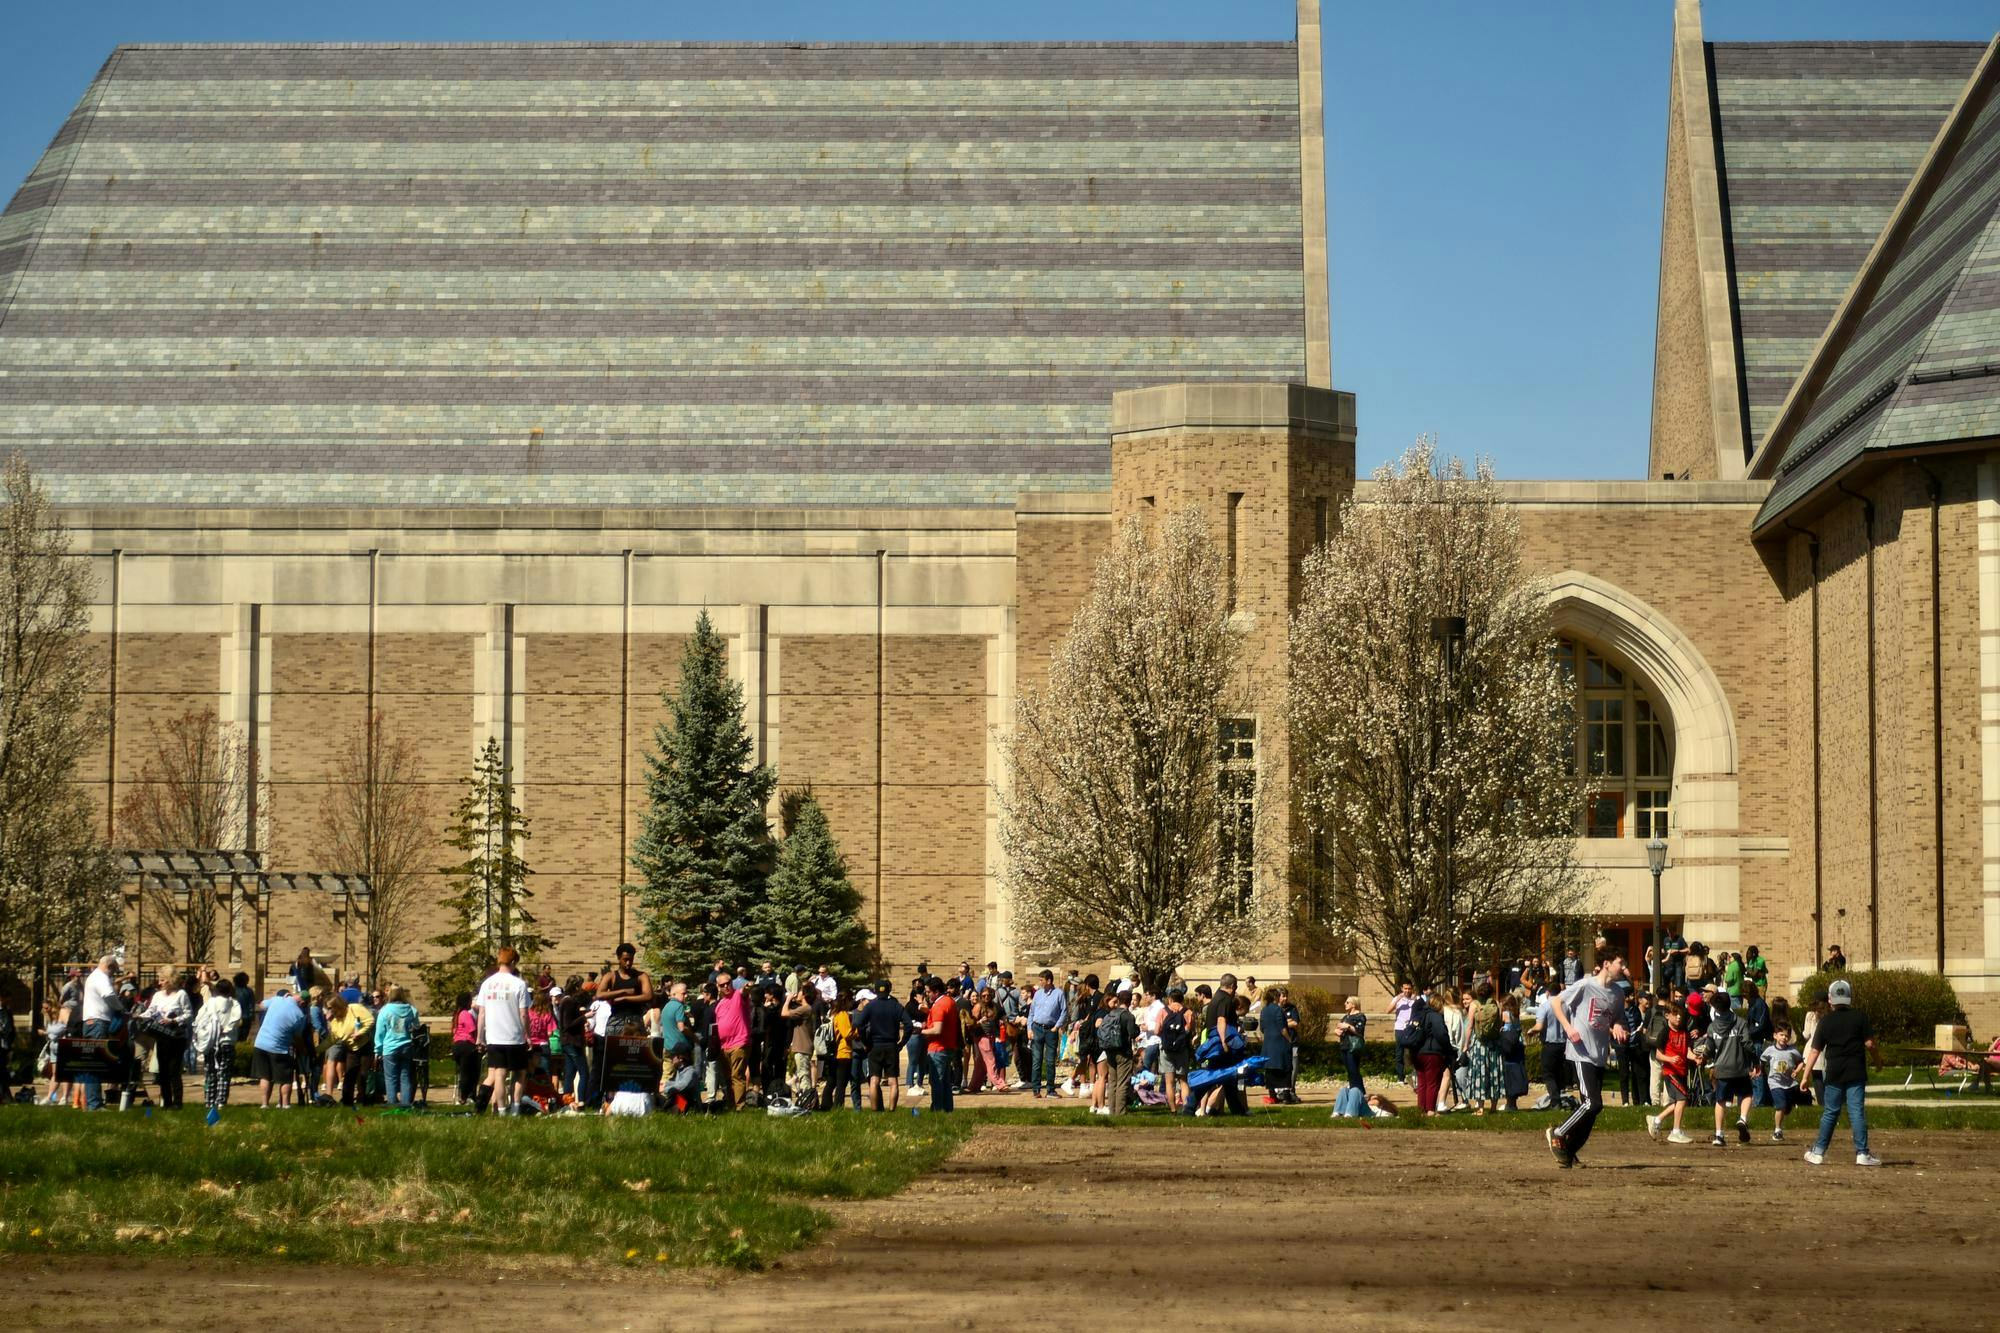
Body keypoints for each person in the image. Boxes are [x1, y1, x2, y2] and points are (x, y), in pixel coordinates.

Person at [1545, 948, 1631, 1168]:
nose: (1623, 968)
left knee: (1593, 1110)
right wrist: (1568, 1027)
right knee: (1593, 1103)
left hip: (1599, 1054)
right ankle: (1558, 1132)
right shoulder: (1585, 985)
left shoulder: (1618, 994)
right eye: (1620, 963)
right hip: (1581, 1052)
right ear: (1607, 964)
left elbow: (1618, 1019)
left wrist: (1619, 1027)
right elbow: (1556, 1003)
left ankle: (1568, 1150)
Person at [1798, 977, 1881, 1167]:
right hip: (1856, 1071)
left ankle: (1818, 1152)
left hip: (1834, 1072)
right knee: (1856, 1112)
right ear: (1850, 997)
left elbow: (1814, 1051)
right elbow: (1870, 1043)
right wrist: (1878, 1061)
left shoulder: (1826, 1021)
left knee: (1830, 1111)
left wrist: (1805, 1076)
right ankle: (1862, 1153)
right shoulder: (1860, 1017)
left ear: (1830, 999)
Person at [474, 946, 531, 1115]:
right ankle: (515, 1109)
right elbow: (523, 1014)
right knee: (519, 1073)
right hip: (514, 1036)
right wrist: (527, 1035)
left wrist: (479, 1037)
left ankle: (501, 1110)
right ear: (513, 962)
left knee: (499, 1075)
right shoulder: (519, 984)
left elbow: (481, 1013)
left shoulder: (487, 984)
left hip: (494, 1036)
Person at [1698, 989, 1756, 1147]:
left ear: (1715, 1008)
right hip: (1740, 1067)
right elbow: (1747, 1045)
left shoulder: (1712, 1027)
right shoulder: (1740, 1022)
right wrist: (1755, 1062)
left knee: (1720, 1101)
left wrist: (1702, 1057)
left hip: (1721, 1069)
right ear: (1730, 1005)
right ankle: (1742, 1118)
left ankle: (1719, 1135)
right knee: (1747, 1094)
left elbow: (1709, 1048)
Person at [191, 975, 240, 1126]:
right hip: (226, 1041)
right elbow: (236, 1019)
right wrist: (226, 1029)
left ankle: (208, 1100)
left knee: (210, 1072)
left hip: (210, 1042)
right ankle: (221, 1102)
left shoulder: (210, 1002)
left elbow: (199, 1019)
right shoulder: (234, 1003)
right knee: (224, 1073)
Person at [78, 954, 124, 1111]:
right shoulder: (101, 977)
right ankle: (94, 1104)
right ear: (109, 966)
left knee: (93, 1064)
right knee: (95, 1064)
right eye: (114, 970)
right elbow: (109, 995)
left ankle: (93, 1102)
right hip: (98, 1023)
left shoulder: (93, 977)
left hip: (91, 1023)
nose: (114, 974)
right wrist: (120, 1009)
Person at [1646, 1002, 1696, 1144]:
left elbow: (1687, 1051)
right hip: (1670, 1071)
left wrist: (1695, 1057)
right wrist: (1670, 1059)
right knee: (1682, 1099)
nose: (1679, 1017)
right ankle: (1675, 1131)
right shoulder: (1665, 1032)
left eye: (1681, 1014)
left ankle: (1656, 1119)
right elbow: (1658, 1055)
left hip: (1681, 1071)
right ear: (1668, 1015)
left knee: (1678, 1102)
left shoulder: (1685, 1031)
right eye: (1675, 1014)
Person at [143, 968, 193, 1111]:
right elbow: (150, 1011)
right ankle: (167, 1101)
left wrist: (173, 1020)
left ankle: (178, 1102)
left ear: (171, 980)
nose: (160, 983)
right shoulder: (158, 995)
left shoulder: (181, 994)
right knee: (163, 1070)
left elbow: (189, 1014)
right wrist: (141, 1016)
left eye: (163, 980)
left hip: (176, 1037)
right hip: (161, 1036)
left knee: (174, 1070)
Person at [253, 988, 311, 1109]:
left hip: (261, 1043)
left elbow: (262, 1005)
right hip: (279, 1048)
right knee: (285, 1079)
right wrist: (303, 1050)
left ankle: (264, 1104)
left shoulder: (277, 1000)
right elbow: (297, 1037)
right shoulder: (299, 1015)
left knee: (265, 1076)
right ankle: (285, 1104)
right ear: (303, 1003)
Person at [857, 980, 909, 1111]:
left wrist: (865, 1042)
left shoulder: (870, 1006)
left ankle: (875, 1110)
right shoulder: (896, 1006)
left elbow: (859, 1024)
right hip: (891, 1045)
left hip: (875, 1045)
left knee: (874, 1080)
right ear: (889, 990)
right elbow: (909, 1024)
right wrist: (902, 1042)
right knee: (893, 1081)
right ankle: (892, 1109)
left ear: (875, 990)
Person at [374, 984, 421, 1110]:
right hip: (406, 1045)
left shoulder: (385, 1010)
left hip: (390, 1047)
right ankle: (405, 1104)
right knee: (405, 1077)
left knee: (390, 1078)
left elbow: (380, 1032)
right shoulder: (410, 1009)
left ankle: (393, 1103)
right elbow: (416, 1026)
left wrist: (378, 1049)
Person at [1096, 986, 1139, 1115]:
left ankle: (1112, 1110)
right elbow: (1132, 1034)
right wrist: (1137, 1029)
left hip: (1110, 1051)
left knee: (1113, 1082)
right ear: (1130, 1001)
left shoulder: (1111, 1014)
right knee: (1122, 1083)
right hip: (1123, 1052)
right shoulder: (1128, 1016)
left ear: (1119, 1000)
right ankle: (1120, 1112)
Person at [1462, 982, 1504, 1115]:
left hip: (1480, 1044)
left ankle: (1480, 1108)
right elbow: (1500, 1023)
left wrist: (1466, 1045)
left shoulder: (1474, 1005)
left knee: (1479, 1073)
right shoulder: (1497, 1004)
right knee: (1494, 1073)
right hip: (1494, 1044)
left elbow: (1469, 1027)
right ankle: (1493, 1107)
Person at [920, 976, 960, 1112]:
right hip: (949, 1046)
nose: (927, 994)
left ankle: (937, 1109)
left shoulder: (939, 1005)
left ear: (936, 991)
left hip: (938, 1047)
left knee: (936, 1080)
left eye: (928, 991)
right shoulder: (950, 1001)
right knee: (945, 1081)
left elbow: (937, 1029)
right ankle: (947, 1109)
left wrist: (922, 1031)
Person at [1409, 994, 1452, 1115]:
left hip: (1418, 1052)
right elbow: (1441, 1035)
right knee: (1432, 1082)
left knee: (1422, 1083)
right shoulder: (1436, 1016)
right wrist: (1449, 1048)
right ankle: (1430, 1110)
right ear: (1439, 1004)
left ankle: (1421, 1110)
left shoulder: (1421, 1014)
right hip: (1432, 1052)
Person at [714, 975, 751, 1109]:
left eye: (728, 983)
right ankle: (731, 1105)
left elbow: (744, 991)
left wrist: (747, 987)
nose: (726, 986)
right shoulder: (720, 1004)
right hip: (724, 1046)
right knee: (728, 1077)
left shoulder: (738, 996)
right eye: (722, 985)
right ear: (718, 987)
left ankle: (740, 1106)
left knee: (737, 1075)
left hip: (739, 1042)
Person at [1760, 1024, 1803, 1142]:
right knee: (1781, 1106)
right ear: (1775, 1036)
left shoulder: (1792, 1050)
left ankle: (1787, 1108)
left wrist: (1797, 1071)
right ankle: (1777, 1130)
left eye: (1786, 1036)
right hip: (1775, 1083)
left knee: (1787, 1108)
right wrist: (1760, 1071)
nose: (1784, 1038)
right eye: (1781, 1035)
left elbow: (1800, 1062)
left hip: (1790, 1084)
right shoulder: (1770, 1050)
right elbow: (1762, 1061)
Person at [1027, 968, 1066, 1098]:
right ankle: (1036, 1089)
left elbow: (1064, 1011)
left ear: (1048, 980)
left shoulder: (1059, 994)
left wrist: (1057, 1026)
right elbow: (1031, 1012)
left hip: (1051, 1030)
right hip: (1037, 1028)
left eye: (1041, 980)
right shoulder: (1038, 994)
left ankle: (1050, 1089)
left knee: (1050, 1061)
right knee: (1036, 1060)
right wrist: (1029, 1028)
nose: (1039, 982)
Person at [449, 992, 480, 1105]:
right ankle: (464, 1097)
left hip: (457, 1045)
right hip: (466, 1045)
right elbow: (472, 1029)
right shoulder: (465, 1014)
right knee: (470, 1073)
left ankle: (464, 1096)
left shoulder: (456, 1015)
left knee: (464, 1072)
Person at [1335, 996, 1367, 1093]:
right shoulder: (1346, 1016)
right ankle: (1354, 1090)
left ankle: (1359, 1091)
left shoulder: (1360, 1016)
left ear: (1353, 1004)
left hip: (1353, 1047)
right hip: (1344, 1046)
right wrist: (1336, 1031)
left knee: (1354, 1070)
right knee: (1349, 1071)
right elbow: (1339, 1027)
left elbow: (1359, 1031)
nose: (1345, 1004)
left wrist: (1347, 1026)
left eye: (1347, 1002)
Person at [1390, 981, 1417, 1083]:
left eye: (1409, 988)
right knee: (1399, 1053)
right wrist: (1398, 999)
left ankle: (1415, 1075)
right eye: (1405, 988)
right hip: (1400, 1028)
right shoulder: (1398, 999)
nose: (1407, 991)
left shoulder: (1416, 999)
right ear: (1402, 988)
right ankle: (1401, 1077)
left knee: (1414, 1052)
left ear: (1412, 989)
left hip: (1411, 1028)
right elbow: (1388, 1010)